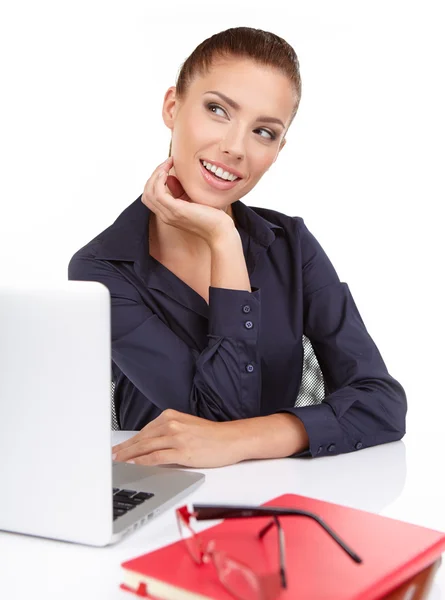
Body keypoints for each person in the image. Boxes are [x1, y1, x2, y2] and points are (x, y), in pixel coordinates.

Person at [68, 26, 407, 468]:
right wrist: (224, 240)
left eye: (263, 132)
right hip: (165, 500)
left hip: (285, 498)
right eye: (217, 109)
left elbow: (381, 403)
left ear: (279, 148)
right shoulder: (103, 271)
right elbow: (214, 415)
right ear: (173, 106)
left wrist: (245, 440)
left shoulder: (292, 246)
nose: (234, 148)